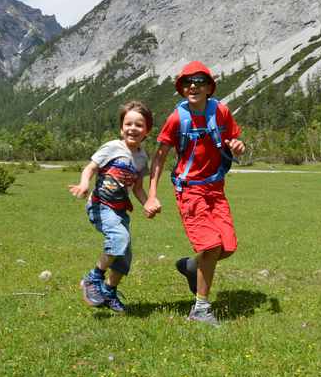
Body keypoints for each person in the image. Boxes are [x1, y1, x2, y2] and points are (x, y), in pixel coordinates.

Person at [144, 61, 245, 326]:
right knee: (211, 246)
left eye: (199, 81)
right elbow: (159, 158)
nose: (193, 86)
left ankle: (191, 266)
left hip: (216, 188)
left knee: (228, 247)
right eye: (187, 82)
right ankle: (201, 309)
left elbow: (234, 141)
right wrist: (152, 194)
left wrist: (238, 146)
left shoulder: (221, 111)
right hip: (189, 190)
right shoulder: (177, 119)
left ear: (210, 87)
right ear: (181, 88)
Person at [69, 101, 153, 312]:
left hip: (120, 209)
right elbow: (90, 168)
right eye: (128, 123)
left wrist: (147, 203)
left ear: (147, 131)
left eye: (139, 125)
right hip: (100, 205)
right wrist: (84, 184)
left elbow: (138, 188)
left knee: (124, 254)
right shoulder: (112, 147)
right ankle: (93, 278)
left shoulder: (142, 157)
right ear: (121, 127)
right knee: (119, 239)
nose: (133, 128)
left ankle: (108, 292)